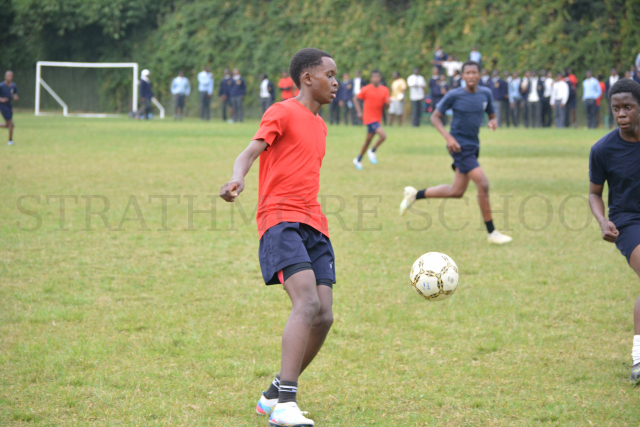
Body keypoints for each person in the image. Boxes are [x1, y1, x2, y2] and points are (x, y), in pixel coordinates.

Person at [220, 48, 337, 426]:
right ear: (307, 78)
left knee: (324, 315)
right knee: (306, 302)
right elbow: (249, 152)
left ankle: (274, 393)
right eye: (330, 75)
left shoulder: (321, 126)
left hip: (315, 225)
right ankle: (286, 403)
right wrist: (237, 178)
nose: (336, 82)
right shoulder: (282, 112)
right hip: (280, 219)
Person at [399, 61, 512, 245]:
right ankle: (492, 232)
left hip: (473, 146)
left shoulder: (485, 93)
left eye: (474, 72)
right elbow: (435, 117)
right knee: (483, 183)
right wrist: (448, 138)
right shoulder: (454, 95)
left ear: (479, 75)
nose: (471, 76)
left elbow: (492, 115)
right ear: (462, 76)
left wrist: (493, 122)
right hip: (458, 146)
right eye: (467, 73)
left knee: (457, 191)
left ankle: (415, 194)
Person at [588, 79, 640, 385]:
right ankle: (639, 358)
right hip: (628, 222)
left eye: (628, 107)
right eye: (616, 108)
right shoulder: (603, 149)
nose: (621, 114)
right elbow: (594, 193)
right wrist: (601, 221)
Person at [352, 69, 390, 170]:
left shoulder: (385, 90)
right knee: (383, 136)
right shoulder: (366, 89)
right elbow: (355, 98)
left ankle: (358, 160)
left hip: (377, 119)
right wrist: (359, 112)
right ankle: (372, 151)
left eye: (378, 77)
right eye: (374, 77)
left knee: (368, 141)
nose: (376, 79)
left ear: (380, 78)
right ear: (371, 78)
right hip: (369, 118)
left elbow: (386, 107)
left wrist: (388, 103)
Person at [0, 70, 18, 145]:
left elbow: (14, 93)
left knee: (7, 125)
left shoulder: (13, 86)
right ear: (5, 77)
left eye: (11, 76)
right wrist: (2, 99)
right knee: (11, 124)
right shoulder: (1, 86)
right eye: (8, 76)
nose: (9, 78)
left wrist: (15, 96)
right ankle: (10, 141)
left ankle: (10, 141)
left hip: (9, 106)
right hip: (2, 106)